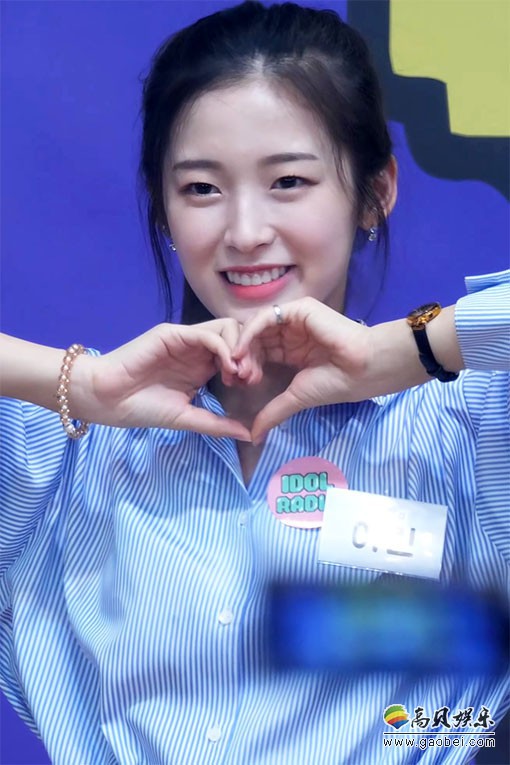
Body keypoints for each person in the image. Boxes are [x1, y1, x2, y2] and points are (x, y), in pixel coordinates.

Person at [1, 2, 508, 764]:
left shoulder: (468, 430)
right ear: (163, 209)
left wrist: (409, 350)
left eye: (289, 181)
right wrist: (82, 383)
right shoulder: (63, 454)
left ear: (376, 192)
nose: (243, 232)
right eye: (201, 189)